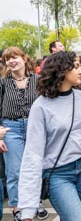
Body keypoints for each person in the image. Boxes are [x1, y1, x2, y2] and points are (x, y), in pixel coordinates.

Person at [18, 51, 81, 221]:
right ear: (61, 70)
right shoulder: (41, 106)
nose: (80, 70)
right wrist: (28, 208)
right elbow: (32, 154)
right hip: (57, 174)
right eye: (75, 66)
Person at [0, 47, 48, 221]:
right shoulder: (3, 82)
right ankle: (16, 206)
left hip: (35, 127)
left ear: (23, 58)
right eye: (7, 59)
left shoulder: (38, 80)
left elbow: (47, 105)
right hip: (10, 128)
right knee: (14, 170)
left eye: (15, 57)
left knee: (37, 166)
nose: (11, 61)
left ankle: (36, 202)